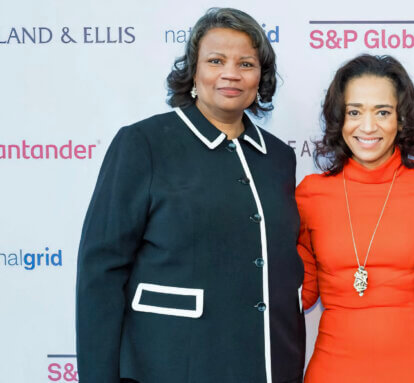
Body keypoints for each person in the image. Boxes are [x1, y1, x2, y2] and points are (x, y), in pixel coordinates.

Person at [76, 8, 304, 383]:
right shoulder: (143, 144)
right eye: (216, 60)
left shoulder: (278, 157)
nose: (231, 73)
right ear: (193, 72)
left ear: (259, 77)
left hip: (266, 368)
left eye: (246, 63)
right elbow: (101, 271)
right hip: (168, 366)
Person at [296, 54, 414, 383]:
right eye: (354, 112)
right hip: (334, 370)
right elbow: (302, 294)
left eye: (383, 112)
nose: (368, 126)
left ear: (402, 119)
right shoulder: (310, 194)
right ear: (338, 119)